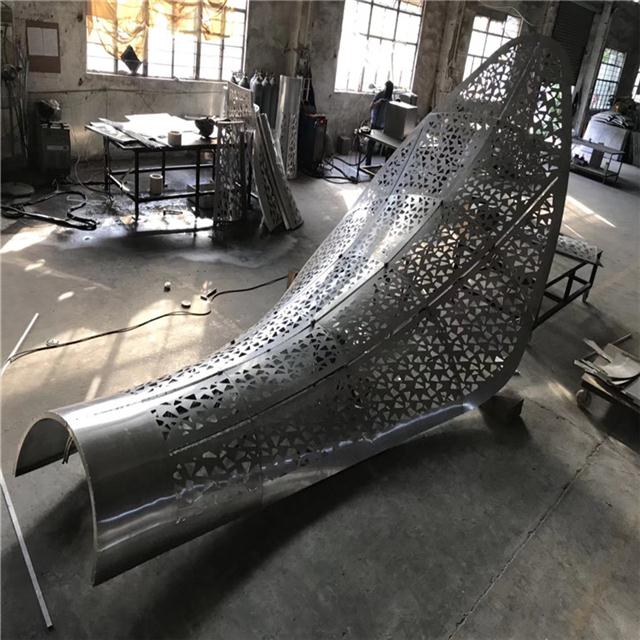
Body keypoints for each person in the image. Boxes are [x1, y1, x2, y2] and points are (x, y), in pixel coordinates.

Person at [366, 80, 393, 165]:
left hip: (384, 125)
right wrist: (378, 103)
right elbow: (371, 107)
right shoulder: (380, 95)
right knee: (371, 144)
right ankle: (368, 163)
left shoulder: (390, 97)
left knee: (388, 146)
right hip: (375, 123)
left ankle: (386, 165)